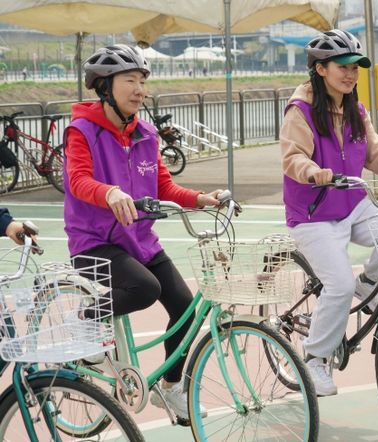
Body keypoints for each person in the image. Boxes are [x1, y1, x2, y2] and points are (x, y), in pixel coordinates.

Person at [63, 44, 221, 421]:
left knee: (185, 309)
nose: (139, 90)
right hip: (95, 243)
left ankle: (170, 387)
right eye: (130, 81)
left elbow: (164, 187)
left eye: (142, 82)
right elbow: (78, 179)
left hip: (141, 242)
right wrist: (109, 192)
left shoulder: (146, 134)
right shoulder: (81, 131)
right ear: (105, 87)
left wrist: (201, 198)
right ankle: (86, 319)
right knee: (145, 288)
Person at [280, 29, 378, 396]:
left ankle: (369, 284)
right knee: (339, 285)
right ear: (320, 69)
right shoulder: (301, 110)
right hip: (313, 214)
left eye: (355, 68)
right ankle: (315, 359)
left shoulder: (356, 110)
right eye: (342, 67)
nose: (350, 74)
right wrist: (313, 171)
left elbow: (377, 154)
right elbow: (292, 156)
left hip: (353, 204)